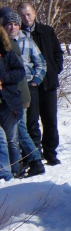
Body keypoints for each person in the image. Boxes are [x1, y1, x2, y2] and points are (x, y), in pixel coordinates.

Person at [1, 8, 45, 178]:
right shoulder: (8, 42)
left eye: (15, 24)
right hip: (15, 93)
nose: (12, 27)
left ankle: (35, 160)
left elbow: (40, 63)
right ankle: (25, 162)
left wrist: (35, 81)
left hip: (18, 93)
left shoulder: (14, 44)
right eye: (8, 24)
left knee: (19, 131)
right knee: (17, 131)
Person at [18, 2, 62, 166]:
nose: (26, 18)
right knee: (31, 122)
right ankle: (34, 155)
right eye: (22, 15)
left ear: (35, 14)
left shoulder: (47, 31)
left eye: (28, 14)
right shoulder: (18, 34)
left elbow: (57, 53)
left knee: (50, 120)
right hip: (29, 85)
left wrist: (55, 68)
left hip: (48, 83)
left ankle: (51, 153)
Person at [0, 25, 26, 183]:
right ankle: (5, 173)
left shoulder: (7, 54)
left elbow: (20, 72)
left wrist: (3, 78)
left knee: (12, 140)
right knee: (1, 139)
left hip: (8, 102)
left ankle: (15, 169)